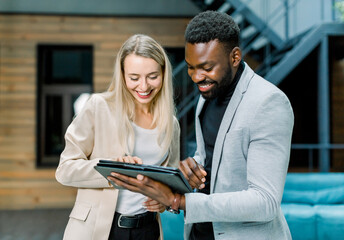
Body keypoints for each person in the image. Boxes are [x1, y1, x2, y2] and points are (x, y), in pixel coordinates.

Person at [108, 10, 294, 240]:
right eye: (190, 67)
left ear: (235, 57)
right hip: (200, 233)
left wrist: (178, 201)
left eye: (206, 67)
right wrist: (192, 167)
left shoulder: (268, 102)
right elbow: (209, 157)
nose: (196, 77)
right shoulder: (207, 95)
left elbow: (265, 201)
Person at [55, 34, 180, 240]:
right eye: (134, 77)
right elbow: (64, 170)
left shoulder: (171, 124)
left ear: (164, 74)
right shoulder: (99, 107)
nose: (143, 86)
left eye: (152, 76)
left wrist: (163, 200)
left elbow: (168, 182)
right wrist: (112, 168)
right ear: (122, 75)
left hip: (147, 230)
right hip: (100, 229)